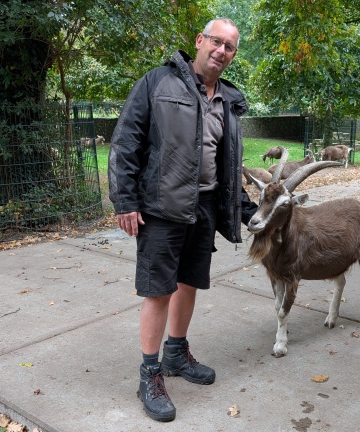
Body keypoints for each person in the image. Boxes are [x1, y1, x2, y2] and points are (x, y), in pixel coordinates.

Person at [107, 18, 258, 422]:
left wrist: (246, 209)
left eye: (229, 47)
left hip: (205, 207)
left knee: (189, 282)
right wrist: (125, 200)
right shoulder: (158, 82)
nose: (221, 51)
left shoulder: (228, 99)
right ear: (199, 41)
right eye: (216, 41)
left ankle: (176, 353)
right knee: (158, 290)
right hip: (160, 207)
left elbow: (227, 164)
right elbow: (126, 142)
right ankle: (150, 373)